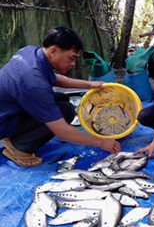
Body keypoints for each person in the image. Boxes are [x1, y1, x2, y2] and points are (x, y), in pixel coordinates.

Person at [0, 27, 120, 167]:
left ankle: (18, 135)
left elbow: (55, 78)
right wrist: (102, 142)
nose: (73, 64)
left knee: (61, 99)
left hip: (8, 108)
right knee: (65, 111)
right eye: (72, 58)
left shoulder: (30, 52)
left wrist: (89, 84)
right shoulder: (34, 82)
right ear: (53, 50)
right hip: (3, 121)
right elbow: (61, 131)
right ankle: (18, 147)